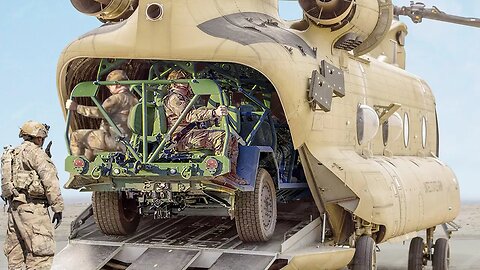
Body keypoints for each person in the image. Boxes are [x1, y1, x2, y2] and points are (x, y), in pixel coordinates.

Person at [164, 70, 246, 185]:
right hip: (182, 138)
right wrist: (213, 113)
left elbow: (196, 114)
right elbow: (189, 116)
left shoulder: (184, 98)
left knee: (231, 138)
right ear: (176, 83)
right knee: (222, 137)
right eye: (184, 79)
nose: (187, 82)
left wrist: (213, 117)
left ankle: (230, 174)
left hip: (190, 134)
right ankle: (220, 174)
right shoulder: (174, 98)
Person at [1, 121, 64, 270]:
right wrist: (58, 208)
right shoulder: (36, 153)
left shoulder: (12, 153)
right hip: (33, 211)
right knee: (40, 256)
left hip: (15, 209)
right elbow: (50, 182)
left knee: (15, 257)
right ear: (39, 137)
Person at [65, 70, 138, 160]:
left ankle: (77, 166)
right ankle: (88, 165)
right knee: (89, 148)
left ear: (117, 85)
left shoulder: (116, 98)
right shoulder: (135, 99)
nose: (110, 90)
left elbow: (100, 112)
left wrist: (77, 107)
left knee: (76, 136)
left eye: (110, 86)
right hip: (128, 141)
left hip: (113, 140)